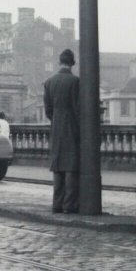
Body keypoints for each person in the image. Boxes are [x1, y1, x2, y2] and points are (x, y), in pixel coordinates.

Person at [43, 49, 80, 214]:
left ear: (59, 62)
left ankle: (56, 204)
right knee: (71, 166)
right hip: (71, 126)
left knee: (57, 167)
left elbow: (48, 110)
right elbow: (78, 108)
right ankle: (69, 205)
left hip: (56, 127)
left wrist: (57, 119)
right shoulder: (75, 82)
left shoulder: (49, 82)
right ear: (72, 64)